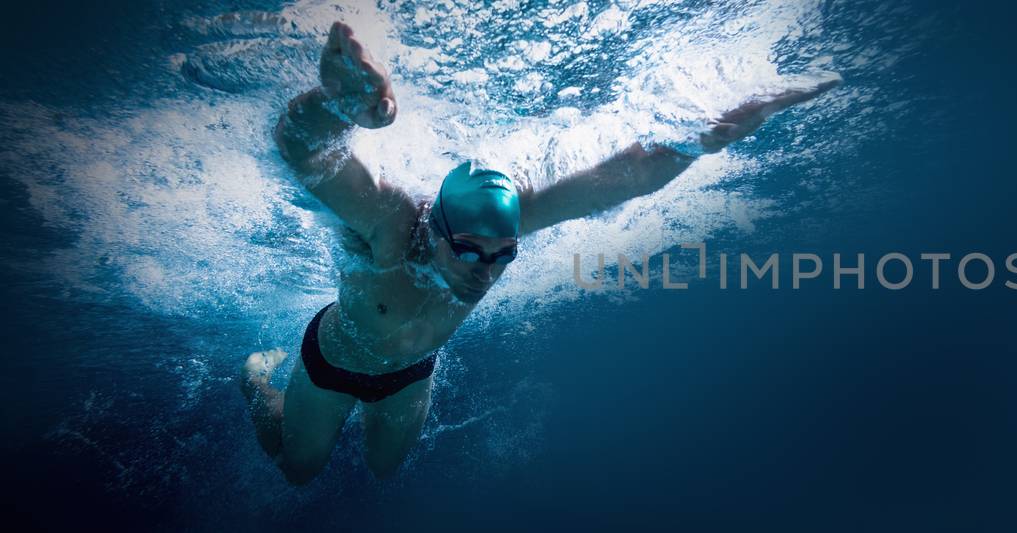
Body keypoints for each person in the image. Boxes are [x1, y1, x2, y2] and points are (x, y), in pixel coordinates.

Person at [239, 21, 839, 484]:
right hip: (331, 365)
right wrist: (335, 106)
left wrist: (705, 139)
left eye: (503, 256)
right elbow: (306, 153)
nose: (486, 272)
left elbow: (628, 173)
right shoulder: (391, 228)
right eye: (470, 252)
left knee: (383, 472)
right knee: (299, 471)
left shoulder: (505, 230)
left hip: (409, 377)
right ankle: (262, 378)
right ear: (438, 231)